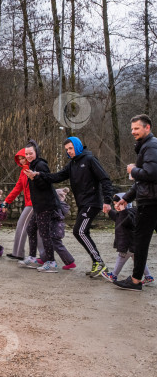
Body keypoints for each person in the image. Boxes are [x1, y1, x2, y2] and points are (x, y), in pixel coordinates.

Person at [26, 136, 113, 278]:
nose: (69, 152)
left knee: (79, 231)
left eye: (71, 148)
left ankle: (99, 263)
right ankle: (97, 263)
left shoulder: (89, 159)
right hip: (83, 204)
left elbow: (105, 178)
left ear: (78, 146)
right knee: (81, 232)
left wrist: (107, 200)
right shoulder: (72, 164)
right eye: (67, 150)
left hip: (92, 203)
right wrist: (38, 175)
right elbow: (57, 177)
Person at [114, 115, 157, 292]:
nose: (133, 132)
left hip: (150, 202)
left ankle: (135, 280)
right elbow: (141, 183)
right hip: (150, 199)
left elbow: (151, 174)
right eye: (132, 129)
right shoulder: (146, 146)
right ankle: (136, 279)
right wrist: (126, 198)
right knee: (141, 241)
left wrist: (133, 169)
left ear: (147, 128)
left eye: (136, 128)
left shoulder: (151, 146)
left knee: (140, 242)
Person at [19, 141, 61, 273]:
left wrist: (34, 178)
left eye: (30, 153)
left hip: (46, 205)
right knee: (31, 229)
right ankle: (32, 257)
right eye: (27, 154)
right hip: (38, 206)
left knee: (44, 234)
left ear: (36, 152)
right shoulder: (31, 165)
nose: (29, 156)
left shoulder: (41, 165)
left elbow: (46, 184)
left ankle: (51, 262)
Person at [101, 192, 154, 285]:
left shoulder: (132, 212)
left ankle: (113, 275)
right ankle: (148, 276)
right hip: (129, 243)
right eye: (115, 205)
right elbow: (117, 218)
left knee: (121, 258)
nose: (116, 207)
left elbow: (128, 222)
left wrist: (123, 211)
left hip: (128, 243)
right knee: (138, 261)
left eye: (117, 204)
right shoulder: (122, 213)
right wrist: (109, 211)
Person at [3, 148, 45, 261]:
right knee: (38, 230)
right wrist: (7, 201)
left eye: (23, 158)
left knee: (22, 225)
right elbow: (18, 188)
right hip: (31, 203)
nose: (21, 161)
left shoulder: (34, 169)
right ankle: (45, 256)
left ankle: (18, 253)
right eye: (20, 159)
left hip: (34, 203)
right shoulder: (23, 172)